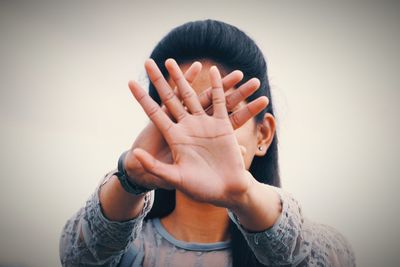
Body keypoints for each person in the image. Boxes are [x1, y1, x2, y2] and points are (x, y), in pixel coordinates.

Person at [60, 19, 356, 267]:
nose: (198, 133)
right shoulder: (127, 252)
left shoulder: (316, 250)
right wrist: (128, 179)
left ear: (263, 134)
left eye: (222, 113)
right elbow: (77, 255)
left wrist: (244, 195)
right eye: (179, 113)